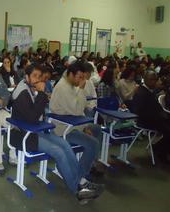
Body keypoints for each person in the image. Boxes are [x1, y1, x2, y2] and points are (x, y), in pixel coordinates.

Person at [11, 64, 104, 205]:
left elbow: (36, 116)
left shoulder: (30, 89)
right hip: (23, 135)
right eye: (35, 76)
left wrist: (40, 95)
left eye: (40, 77)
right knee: (58, 151)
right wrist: (42, 94)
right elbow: (32, 118)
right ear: (26, 77)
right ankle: (77, 191)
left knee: (64, 144)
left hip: (36, 131)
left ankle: (82, 181)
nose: (38, 80)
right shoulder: (22, 92)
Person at [49, 61, 103, 176]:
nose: (81, 81)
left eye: (83, 78)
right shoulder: (63, 88)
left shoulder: (71, 85)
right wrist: (82, 90)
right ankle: (81, 175)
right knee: (93, 143)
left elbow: (79, 110)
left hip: (73, 124)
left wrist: (84, 127)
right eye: (80, 77)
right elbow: (77, 110)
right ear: (71, 75)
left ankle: (91, 163)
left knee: (97, 129)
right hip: (64, 129)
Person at [132, 70, 170, 163]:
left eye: (155, 79)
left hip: (156, 118)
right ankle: (161, 151)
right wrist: (161, 117)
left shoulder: (149, 90)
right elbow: (139, 111)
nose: (154, 82)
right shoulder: (141, 92)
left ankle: (160, 148)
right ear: (146, 80)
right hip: (147, 120)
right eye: (152, 79)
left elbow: (156, 108)